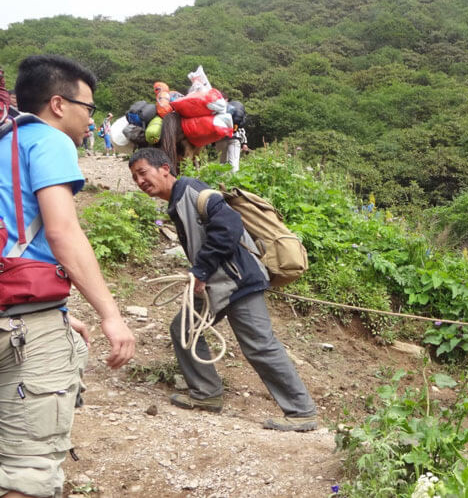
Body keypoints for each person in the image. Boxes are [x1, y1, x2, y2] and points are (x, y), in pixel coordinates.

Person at [0, 54, 136, 498]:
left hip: (19, 308)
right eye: (89, 108)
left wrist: (53, 312)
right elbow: (61, 231)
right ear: (58, 104)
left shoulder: (3, 143)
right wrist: (109, 314)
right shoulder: (48, 140)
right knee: (28, 472)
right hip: (22, 327)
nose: (88, 120)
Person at [128, 147, 318, 432]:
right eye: (134, 178)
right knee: (184, 328)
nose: (140, 181)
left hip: (238, 280)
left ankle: (302, 411)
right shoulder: (177, 201)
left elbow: (229, 225)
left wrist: (201, 270)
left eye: (143, 173)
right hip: (216, 285)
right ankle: (206, 394)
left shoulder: (193, 191)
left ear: (165, 168)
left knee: (259, 345)